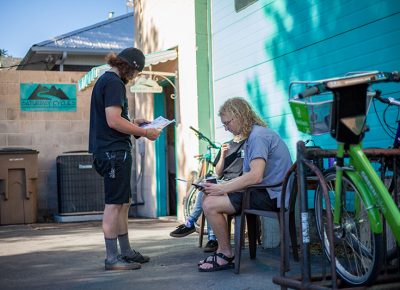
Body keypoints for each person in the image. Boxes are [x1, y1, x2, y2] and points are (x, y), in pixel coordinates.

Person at [198, 97, 292, 272]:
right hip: (267, 191)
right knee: (210, 196)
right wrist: (220, 186)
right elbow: (251, 176)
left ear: (239, 115)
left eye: (227, 123)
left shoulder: (258, 137)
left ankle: (225, 253)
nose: (226, 128)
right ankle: (222, 250)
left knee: (210, 203)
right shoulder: (256, 135)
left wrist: (222, 187)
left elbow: (255, 176)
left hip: (271, 196)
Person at [89, 47, 161, 271]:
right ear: (129, 67)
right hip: (113, 153)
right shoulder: (113, 83)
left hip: (113, 151)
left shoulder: (107, 80)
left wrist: (134, 123)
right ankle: (112, 258)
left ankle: (126, 251)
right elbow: (113, 121)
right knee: (113, 205)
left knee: (123, 203)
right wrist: (144, 132)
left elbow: (118, 119)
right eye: (135, 73)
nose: (134, 78)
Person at [169, 134, 246, 253]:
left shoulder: (249, 144)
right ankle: (209, 237)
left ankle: (193, 225)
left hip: (237, 185)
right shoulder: (228, 144)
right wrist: (223, 156)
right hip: (223, 182)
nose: (226, 128)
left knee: (209, 192)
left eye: (228, 123)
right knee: (207, 189)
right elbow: (218, 172)